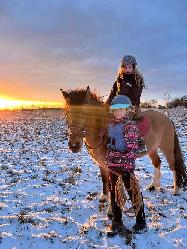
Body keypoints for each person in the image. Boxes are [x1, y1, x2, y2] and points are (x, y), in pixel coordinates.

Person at [106, 95, 146, 236]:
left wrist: (124, 164)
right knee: (114, 193)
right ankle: (117, 223)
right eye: (115, 110)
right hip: (112, 166)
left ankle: (141, 222)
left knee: (132, 192)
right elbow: (109, 142)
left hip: (125, 167)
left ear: (126, 110)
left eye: (121, 110)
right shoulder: (111, 124)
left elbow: (132, 151)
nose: (118, 112)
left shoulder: (130, 126)